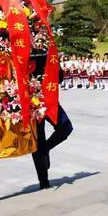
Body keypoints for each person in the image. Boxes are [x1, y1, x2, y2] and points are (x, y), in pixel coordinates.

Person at [29, 54, 74, 189]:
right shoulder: (20, 50)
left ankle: (45, 149)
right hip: (31, 104)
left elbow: (59, 79)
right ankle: (44, 182)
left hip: (49, 101)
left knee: (66, 127)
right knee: (38, 140)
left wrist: (55, 64)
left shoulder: (46, 51)